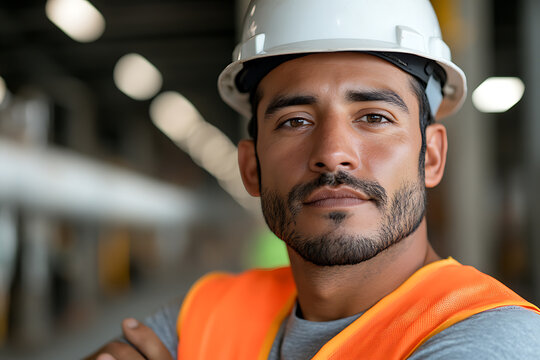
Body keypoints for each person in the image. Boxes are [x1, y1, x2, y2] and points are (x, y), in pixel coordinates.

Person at [88, 0, 540, 359]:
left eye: (374, 117)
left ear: (432, 156)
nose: (331, 154)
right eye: (295, 121)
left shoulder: (489, 337)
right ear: (251, 167)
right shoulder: (208, 313)